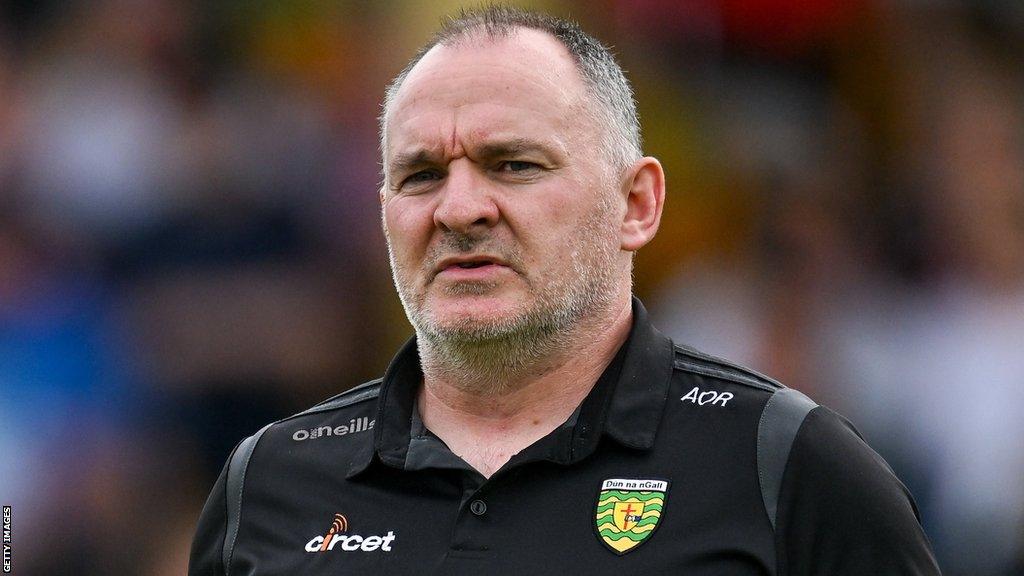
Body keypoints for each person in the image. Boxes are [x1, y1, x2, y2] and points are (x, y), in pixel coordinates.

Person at [189, 6, 941, 575]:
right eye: (421, 175)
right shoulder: (270, 482)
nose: (460, 208)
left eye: (513, 164)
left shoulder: (787, 466)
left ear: (637, 204)